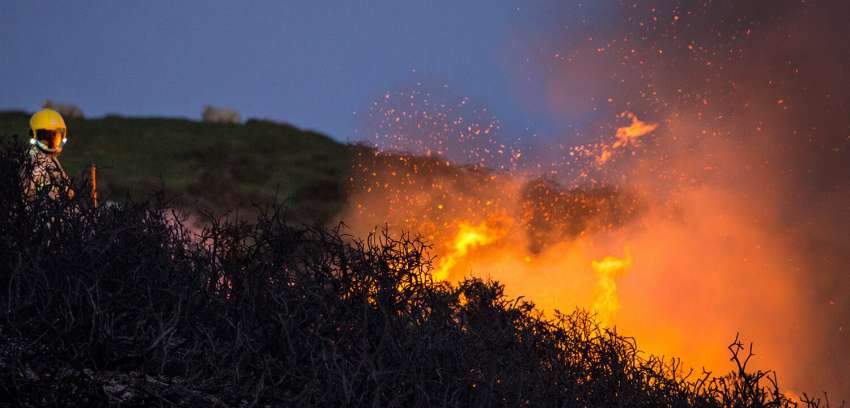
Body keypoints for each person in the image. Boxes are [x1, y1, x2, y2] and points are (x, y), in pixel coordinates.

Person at [25, 108, 73, 199]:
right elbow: (29, 196)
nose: (51, 141)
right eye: (45, 136)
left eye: (55, 135)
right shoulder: (34, 161)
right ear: (33, 135)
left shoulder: (51, 159)